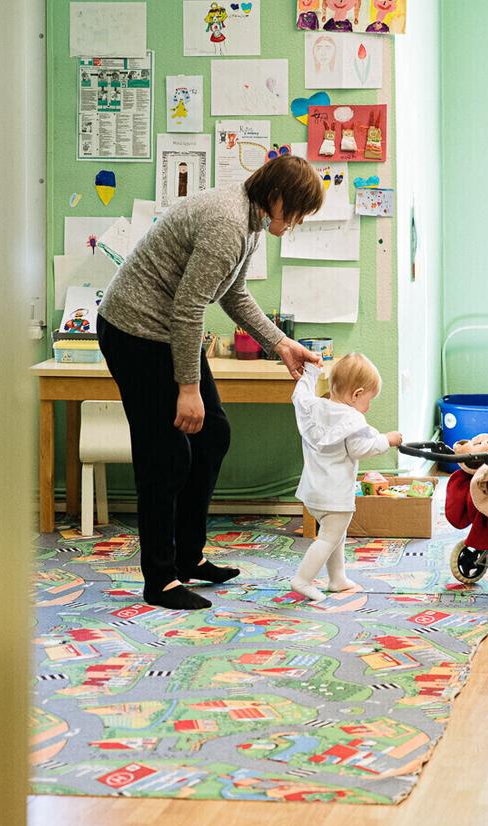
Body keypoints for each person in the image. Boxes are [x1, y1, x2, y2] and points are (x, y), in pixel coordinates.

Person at [97, 155, 326, 610]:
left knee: (212, 435)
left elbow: (233, 294)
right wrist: (188, 389)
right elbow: (188, 309)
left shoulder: (250, 220)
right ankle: (160, 579)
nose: (296, 223)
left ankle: (189, 557)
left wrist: (281, 343)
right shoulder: (227, 223)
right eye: (297, 212)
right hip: (135, 332)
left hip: (167, 331)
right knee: (166, 456)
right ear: (276, 196)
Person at [289, 353, 401, 601]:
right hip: (335, 494)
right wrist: (387, 440)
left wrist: (310, 373)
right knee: (328, 538)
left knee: (335, 535)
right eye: (369, 400)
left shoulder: (316, 407)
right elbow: (360, 449)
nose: (369, 406)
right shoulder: (351, 419)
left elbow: (300, 395)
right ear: (357, 394)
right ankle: (302, 579)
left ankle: (337, 578)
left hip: (314, 492)